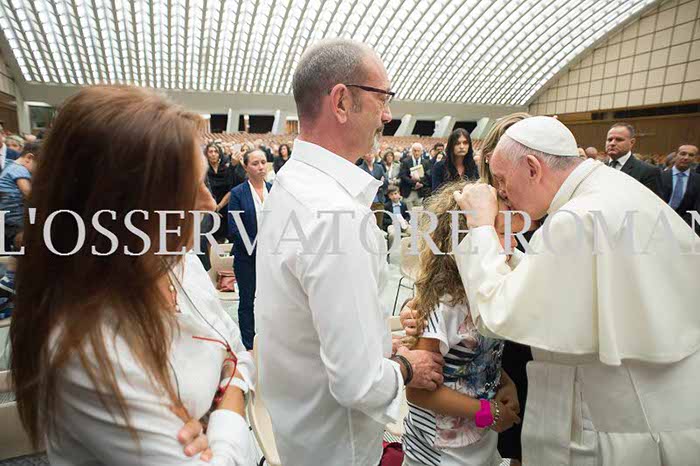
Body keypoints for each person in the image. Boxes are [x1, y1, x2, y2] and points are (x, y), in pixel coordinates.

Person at [11, 85, 256, 465]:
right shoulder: (85, 348)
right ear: (127, 210)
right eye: (188, 190)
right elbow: (237, 365)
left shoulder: (178, 264)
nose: (209, 204)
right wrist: (232, 402)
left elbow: (236, 352)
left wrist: (223, 398)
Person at [444, 116, 699, 465]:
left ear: (532, 168)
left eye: (502, 180)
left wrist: (479, 227)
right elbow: (561, 285)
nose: (501, 191)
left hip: (616, 428)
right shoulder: (614, 192)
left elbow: (499, 314)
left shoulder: (578, 215)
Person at [255, 39, 444, 466]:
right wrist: (408, 365)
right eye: (382, 99)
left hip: (301, 435)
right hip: (338, 448)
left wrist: (376, 340)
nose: (388, 115)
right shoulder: (335, 213)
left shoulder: (290, 185)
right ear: (341, 102)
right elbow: (359, 385)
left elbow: (309, 317)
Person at [401, 181, 521, 466]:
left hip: (479, 444)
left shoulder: (486, 292)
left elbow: (478, 359)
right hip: (439, 453)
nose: (515, 244)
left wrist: (507, 384)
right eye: (504, 235)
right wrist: (487, 413)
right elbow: (418, 391)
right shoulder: (444, 303)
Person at [227, 149, 271, 350]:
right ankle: (248, 344)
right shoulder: (237, 193)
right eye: (255, 163)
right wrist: (255, 247)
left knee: (272, 299)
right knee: (247, 300)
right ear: (246, 167)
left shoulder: (274, 189)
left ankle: (270, 339)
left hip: (272, 255)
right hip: (247, 255)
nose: (261, 167)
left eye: (263, 162)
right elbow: (234, 227)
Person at [0, 142, 41, 317]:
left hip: (10, 217)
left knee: (22, 247)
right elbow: (27, 192)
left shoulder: (10, 166)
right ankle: (9, 279)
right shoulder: (19, 170)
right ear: (29, 158)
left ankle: (10, 280)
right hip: (14, 217)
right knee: (26, 243)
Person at [605, 122, 661, 195]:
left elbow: (653, 204)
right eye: (609, 139)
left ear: (632, 142)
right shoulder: (598, 168)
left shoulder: (648, 172)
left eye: (619, 139)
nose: (612, 143)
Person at [659, 144, 700, 232]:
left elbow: (697, 208)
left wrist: (683, 227)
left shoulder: (698, 180)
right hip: (658, 223)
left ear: (695, 158)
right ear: (676, 155)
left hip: (685, 227)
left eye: (691, 155)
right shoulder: (659, 176)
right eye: (683, 153)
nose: (686, 157)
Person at [431, 128, 479, 192]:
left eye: (465, 143)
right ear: (451, 146)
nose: (462, 146)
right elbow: (436, 192)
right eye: (457, 143)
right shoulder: (439, 167)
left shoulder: (474, 167)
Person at [400, 143, 431, 208]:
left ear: (421, 152)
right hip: (409, 191)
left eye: (418, 151)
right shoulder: (406, 161)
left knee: (419, 214)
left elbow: (428, 176)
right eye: (414, 150)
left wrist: (421, 182)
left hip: (421, 192)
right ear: (412, 151)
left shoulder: (426, 162)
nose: (416, 153)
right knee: (409, 213)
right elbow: (403, 175)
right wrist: (414, 183)